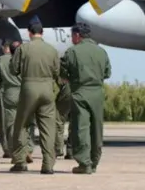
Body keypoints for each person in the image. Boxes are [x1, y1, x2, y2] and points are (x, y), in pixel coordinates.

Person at [9, 19, 60, 174]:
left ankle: (20, 162)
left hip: (28, 88)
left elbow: (13, 70)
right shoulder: (52, 50)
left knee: (21, 125)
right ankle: (48, 165)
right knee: (47, 128)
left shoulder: (23, 49)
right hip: (47, 89)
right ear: (42, 32)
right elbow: (57, 72)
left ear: (29, 33)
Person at [61, 22, 111, 174]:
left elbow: (63, 72)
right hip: (97, 93)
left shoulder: (72, 52)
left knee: (81, 127)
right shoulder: (101, 52)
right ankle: (94, 161)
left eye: (72, 36)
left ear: (77, 35)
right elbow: (107, 73)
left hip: (80, 92)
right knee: (96, 127)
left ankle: (84, 163)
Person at [0, 40, 30, 160]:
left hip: (8, 94)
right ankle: (25, 148)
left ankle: (10, 150)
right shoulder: (25, 59)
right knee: (23, 124)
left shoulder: (1, 60)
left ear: (5, 48)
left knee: (7, 124)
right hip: (24, 93)